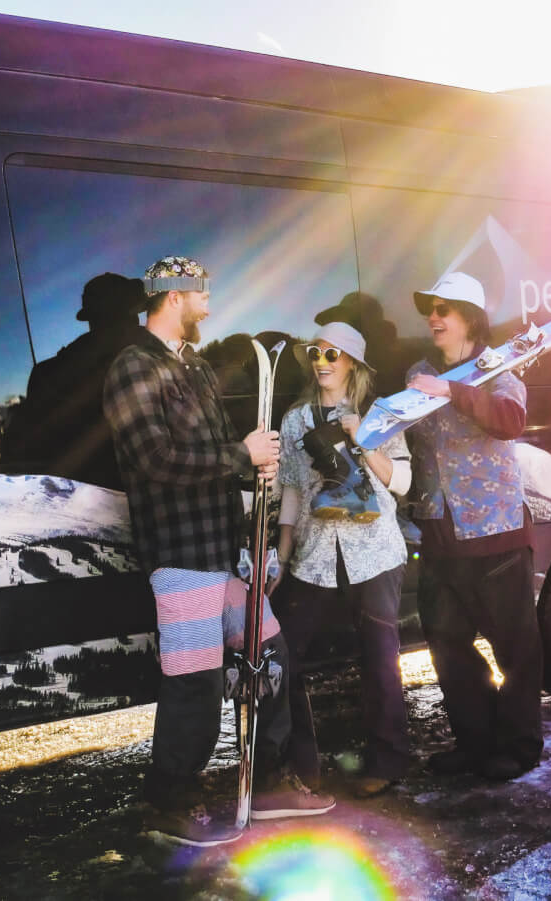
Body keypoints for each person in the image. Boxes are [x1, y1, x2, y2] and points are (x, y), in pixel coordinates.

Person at [102, 255, 334, 847]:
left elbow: (214, 458)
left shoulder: (196, 369)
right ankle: (167, 800)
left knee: (271, 655)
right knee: (195, 684)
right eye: (202, 292)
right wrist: (241, 456)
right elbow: (153, 461)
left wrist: (249, 522)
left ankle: (272, 781)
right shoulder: (133, 368)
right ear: (174, 296)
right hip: (179, 555)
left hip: (222, 551)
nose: (209, 302)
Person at [404, 271, 543, 782]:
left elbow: (509, 421)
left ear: (471, 319)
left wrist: (450, 389)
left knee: (516, 648)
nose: (433, 317)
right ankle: (475, 740)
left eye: (445, 309)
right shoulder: (416, 371)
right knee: (448, 644)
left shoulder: (498, 369)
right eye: (430, 308)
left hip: (495, 535)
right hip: (438, 533)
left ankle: (519, 747)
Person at [269, 321, 413, 799]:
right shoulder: (294, 421)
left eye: (333, 354)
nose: (321, 361)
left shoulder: (380, 413)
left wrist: (365, 441)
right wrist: (281, 556)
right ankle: (301, 765)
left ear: (353, 363)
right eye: (316, 352)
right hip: (313, 554)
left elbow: (402, 483)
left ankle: (386, 761)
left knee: (379, 658)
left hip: (375, 553)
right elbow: (290, 489)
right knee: (284, 651)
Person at [0, 273, 147, 488]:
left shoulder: (47, 372)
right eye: (133, 315)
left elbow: (22, 455)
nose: (137, 323)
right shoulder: (157, 360)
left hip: (72, 500)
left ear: (91, 320)